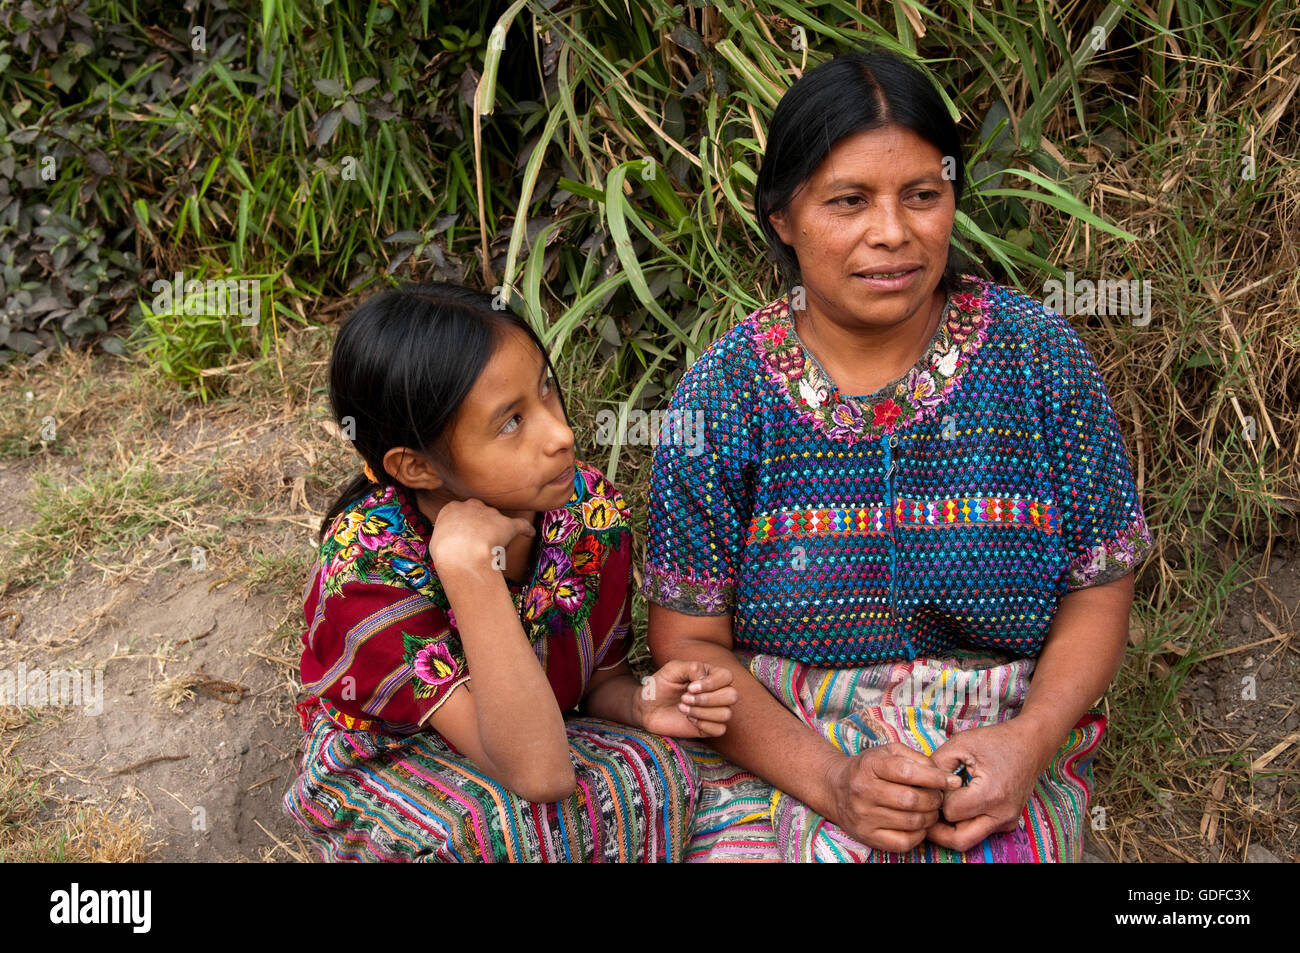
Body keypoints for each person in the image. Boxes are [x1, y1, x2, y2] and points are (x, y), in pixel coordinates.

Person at [642, 47, 1154, 862]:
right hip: (785, 742)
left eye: (923, 195)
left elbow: (1100, 584)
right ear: (781, 217)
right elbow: (690, 644)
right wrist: (833, 779)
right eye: (849, 201)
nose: (893, 233)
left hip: (992, 738)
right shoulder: (721, 396)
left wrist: (1028, 742)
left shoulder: (1040, 359)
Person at [282, 283, 736, 862]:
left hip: (531, 729)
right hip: (395, 754)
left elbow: (597, 684)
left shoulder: (587, 516)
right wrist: (470, 570)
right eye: (510, 423)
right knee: (507, 834)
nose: (561, 434)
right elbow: (540, 775)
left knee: (659, 771)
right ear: (416, 466)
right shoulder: (369, 571)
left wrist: (641, 703)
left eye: (546, 391)